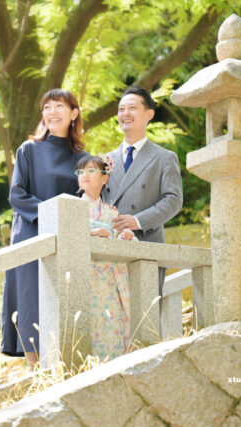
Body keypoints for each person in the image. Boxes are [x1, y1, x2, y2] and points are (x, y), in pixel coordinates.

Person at [2, 88, 88, 368]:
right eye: (47, 107)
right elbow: (17, 195)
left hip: (67, 236)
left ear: (74, 113)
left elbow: (84, 198)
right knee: (30, 299)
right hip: (30, 231)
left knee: (64, 294)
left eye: (59, 106)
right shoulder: (28, 150)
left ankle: (63, 363)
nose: (52, 112)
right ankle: (34, 369)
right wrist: (49, 217)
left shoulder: (83, 159)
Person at [102, 86, 183, 328]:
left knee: (143, 321)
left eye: (132, 107)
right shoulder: (104, 160)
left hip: (147, 244)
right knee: (110, 320)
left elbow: (173, 200)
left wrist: (137, 221)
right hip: (109, 249)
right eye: (121, 109)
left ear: (149, 114)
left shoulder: (164, 157)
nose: (125, 113)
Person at [75, 155, 135, 360]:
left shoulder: (111, 211)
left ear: (104, 178)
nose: (85, 175)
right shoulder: (73, 209)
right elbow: (67, 237)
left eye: (91, 170)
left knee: (112, 321)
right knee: (91, 321)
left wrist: (126, 236)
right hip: (86, 275)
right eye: (81, 172)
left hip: (110, 278)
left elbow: (120, 238)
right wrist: (91, 233)